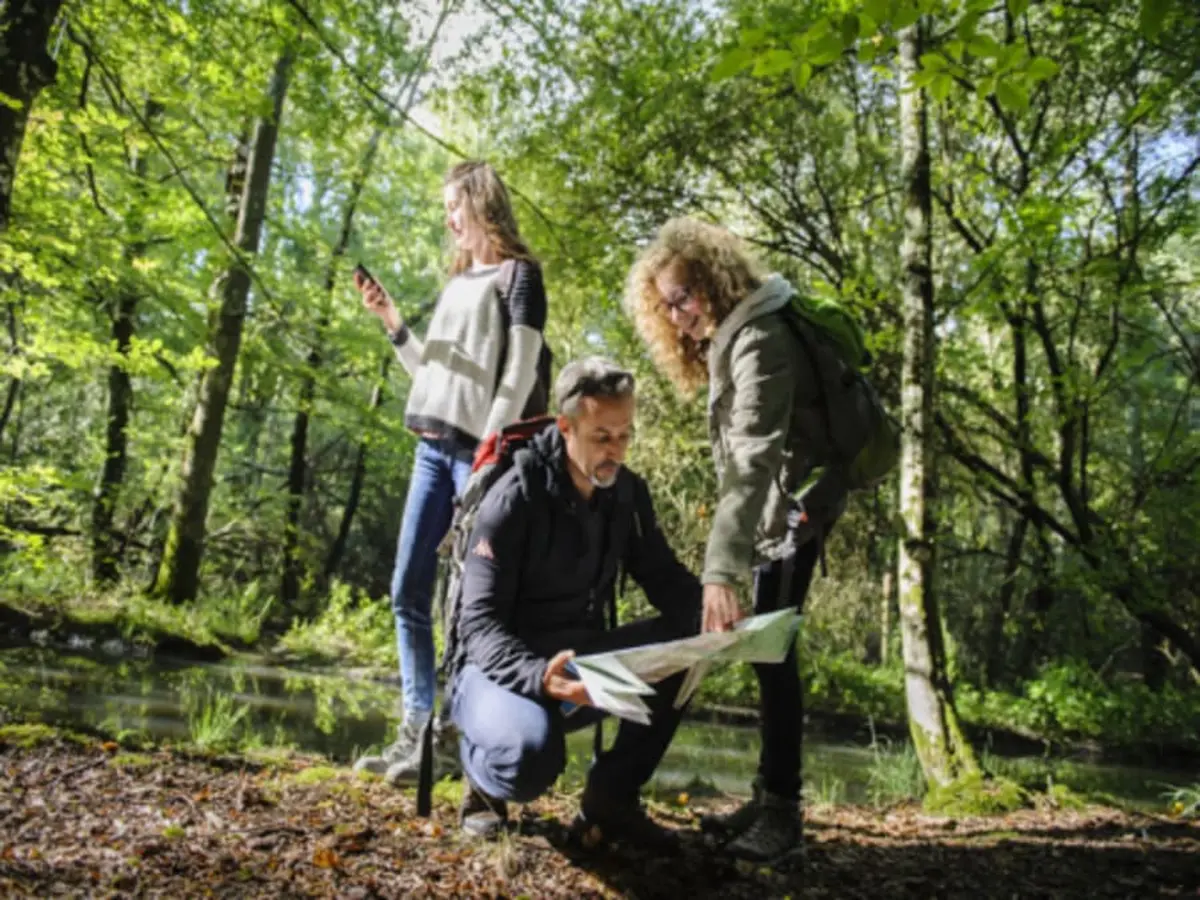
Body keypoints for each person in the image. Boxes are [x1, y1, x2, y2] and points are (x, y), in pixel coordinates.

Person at [625, 218, 866, 862]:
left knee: (772, 652)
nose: (677, 317)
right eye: (666, 305)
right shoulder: (739, 334)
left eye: (685, 298)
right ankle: (767, 798)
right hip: (775, 514)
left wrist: (720, 570)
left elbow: (753, 463)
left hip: (792, 517)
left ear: (717, 282)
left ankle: (782, 815)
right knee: (769, 654)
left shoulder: (760, 340)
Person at [446, 357, 724, 849]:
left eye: (624, 436)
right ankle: (482, 782)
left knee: (690, 638)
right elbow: (478, 623)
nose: (615, 451)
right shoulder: (513, 497)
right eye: (602, 437)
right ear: (566, 428)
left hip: (578, 665)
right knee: (532, 758)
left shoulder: (627, 494)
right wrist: (538, 676)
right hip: (495, 672)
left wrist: (717, 616)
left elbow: (664, 579)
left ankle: (610, 800)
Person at [353, 161, 548, 785]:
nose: (447, 218)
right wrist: (392, 322)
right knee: (407, 589)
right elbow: (431, 381)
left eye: (453, 205)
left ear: (480, 201)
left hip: (477, 459)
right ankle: (417, 730)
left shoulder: (520, 278)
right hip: (430, 451)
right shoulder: (460, 282)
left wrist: (489, 456)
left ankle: (453, 740)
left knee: (464, 606)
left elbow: (517, 378)